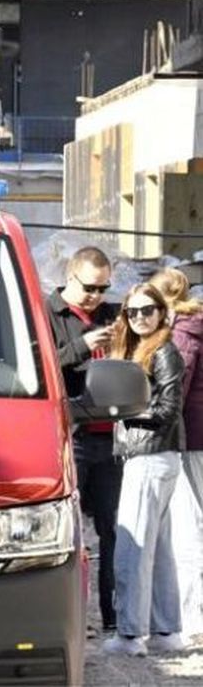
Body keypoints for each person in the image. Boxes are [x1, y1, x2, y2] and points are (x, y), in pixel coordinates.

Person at [106, 283, 188, 657]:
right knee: (159, 547)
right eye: (132, 311)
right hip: (154, 455)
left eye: (146, 310)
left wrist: (122, 412)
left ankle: (129, 635)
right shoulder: (141, 349)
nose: (138, 317)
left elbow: (169, 409)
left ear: (161, 312)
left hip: (152, 455)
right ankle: (165, 630)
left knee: (134, 546)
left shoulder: (165, 351)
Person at [47, 246, 121, 636]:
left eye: (104, 287)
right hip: (70, 435)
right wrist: (83, 343)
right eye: (90, 287)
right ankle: (69, 618)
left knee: (113, 531)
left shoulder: (114, 313)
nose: (97, 296)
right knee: (69, 535)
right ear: (70, 277)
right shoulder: (47, 313)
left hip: (111, 437)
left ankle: (111, 618)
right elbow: (38, 364)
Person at [150, 267, 203, 633]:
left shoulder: (183, 333)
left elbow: (177, 392)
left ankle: (189, 616)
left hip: (193, 439)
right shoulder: (194, 325)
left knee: (188, 527)